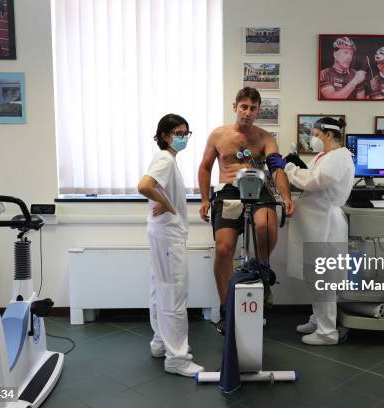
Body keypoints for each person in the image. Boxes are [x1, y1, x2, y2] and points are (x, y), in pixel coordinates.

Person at [198, 87, 294, 333]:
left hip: (257, 186)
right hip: (228, 190)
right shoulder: (218, 135)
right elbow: (205, 167)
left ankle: (261, 268)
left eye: (253, 108)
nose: (248, 112)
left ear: (258, 111)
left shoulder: (265, 137)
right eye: (244, 107)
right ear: (235, 107)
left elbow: (277, 168)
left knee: (266, 225)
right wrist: (205, 199)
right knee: (224, 247)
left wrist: (285, 196)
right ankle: (225, 308)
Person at [267, 117, 354, 345]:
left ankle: (327, 333)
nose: (312, 138)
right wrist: (295, 166)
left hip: (326, 225)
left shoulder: (340, 156)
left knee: (324, 279)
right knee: (315, 277)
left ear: (327, 134)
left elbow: (316, 181)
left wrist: (289, 167)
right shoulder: (323, 156)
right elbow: (312, 176)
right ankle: (318, 320)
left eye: (315, 134)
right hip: (314, 224)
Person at [137, 114, 204, 377]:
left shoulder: (168, 160)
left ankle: (160, 343)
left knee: (160, 289)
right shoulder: (165, 159)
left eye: (186, 132)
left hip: (162, 233)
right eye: (177, 132)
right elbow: (144, 186)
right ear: (164, 136)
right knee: (174, 294)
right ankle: (177, 358)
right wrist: (164, 203)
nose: (183, 137)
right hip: (168, 236)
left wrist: (164, 202)